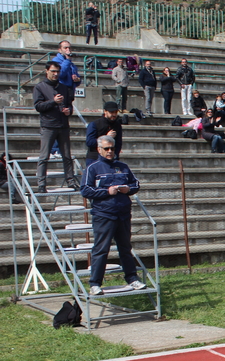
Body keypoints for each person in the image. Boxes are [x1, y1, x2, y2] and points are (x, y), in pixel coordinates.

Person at [80, 135, 146, 296]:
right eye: (106, 149)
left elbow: (136, 184)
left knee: (125, 248)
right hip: (104, 214)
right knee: (101, 249)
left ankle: (132, 278)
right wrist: (106, 192)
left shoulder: (122, 166)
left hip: (123, 214)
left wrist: (127, 190)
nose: (110, 152)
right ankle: (95, 283)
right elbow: (85, 190)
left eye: (112, 148)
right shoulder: (93, 168)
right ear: (99, 149)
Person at [33, 61, 78, 193]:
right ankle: (41, 184)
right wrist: (53, 102)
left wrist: (69, 111)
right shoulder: (40, 87)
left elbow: (69, 104)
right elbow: (38, 106)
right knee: (44, 156)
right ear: (47, 71)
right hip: (48, 125)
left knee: (67, 155)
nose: (55, 74)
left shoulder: (64, 87)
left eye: (57, 72)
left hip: (63, 125)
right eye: (53, 71)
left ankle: (70, 181)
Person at [85, 101, 122, 166]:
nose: (114, 115)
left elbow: (118, 143)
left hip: (111, 159)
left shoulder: (117, 125)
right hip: (94, 158)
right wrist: (105, 137)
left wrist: (115, 156)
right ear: (105, 111)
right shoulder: (95, 124)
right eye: (111, 112)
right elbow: (89, 142)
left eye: (115, 112)